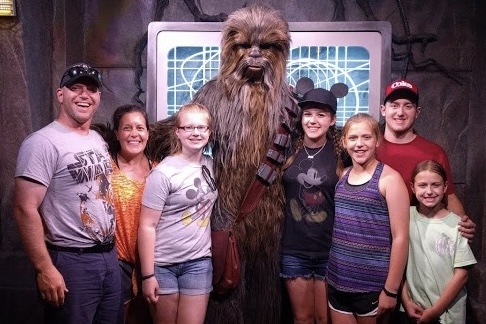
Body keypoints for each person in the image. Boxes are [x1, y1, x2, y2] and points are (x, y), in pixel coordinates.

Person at [13, 63, 122, 323]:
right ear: (60, 94)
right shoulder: (42, 142)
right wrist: (44, 268)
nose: (85, 95)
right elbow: (24, 208)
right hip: (73, 262)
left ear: (99, 98)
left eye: (92, 90)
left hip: (108, 257)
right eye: (76, 88)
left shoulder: (96, 139)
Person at [138, 103, 218, 324]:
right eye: (189, 127)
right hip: (163, 265)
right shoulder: (163, 173)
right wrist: (147, 275)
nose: (196, 133)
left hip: (198, 262)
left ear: (209, 132)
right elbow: (147, 226)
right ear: (178, 132)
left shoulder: (212, 167)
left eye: (202, 128)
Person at [327, 113, 410, 324]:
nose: (359, 144)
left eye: (366, 137)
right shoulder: (342, 176)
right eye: (353, 138)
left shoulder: (389, 179)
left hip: (373, 286)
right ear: (344, 142)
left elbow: (401, 238)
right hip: (338, 281)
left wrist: (391, 291)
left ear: (377, 140)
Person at [377, 79, 475, 238]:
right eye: (394, 105)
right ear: (383, 110)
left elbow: (448, 196)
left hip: (417, 238)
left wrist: (463, 225)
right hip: (374, 236)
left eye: (408, 106)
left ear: (417, 112)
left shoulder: (433, 152)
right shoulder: (368, 150)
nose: (400, 112)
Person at [280, 87, 343, 324]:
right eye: (308, 114)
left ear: (332, 119)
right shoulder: (288, 151)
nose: (313, 120)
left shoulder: (341, 154)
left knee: (324, 318)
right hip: (294, 250)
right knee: (303, 318)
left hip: (330, 250)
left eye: (321, 114)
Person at [92, 104, 153, 323]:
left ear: (148, 133)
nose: (134, 134)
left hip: (154, 262)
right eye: (127, 128)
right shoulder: (104, 166)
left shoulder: (160, 169)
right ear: (117, 133)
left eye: (140, 128)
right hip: (116, 262)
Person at [400, 160, 476, 324]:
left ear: (445, 187)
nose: (429, 191)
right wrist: (405, 300)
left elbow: (462, 275)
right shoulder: (406, 216)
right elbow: (399, 262)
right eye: (422, 185)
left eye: (435, 185)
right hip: (413, 310)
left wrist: (435, 311)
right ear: (413, 188)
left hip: (447, 315)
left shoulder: (458, 225)